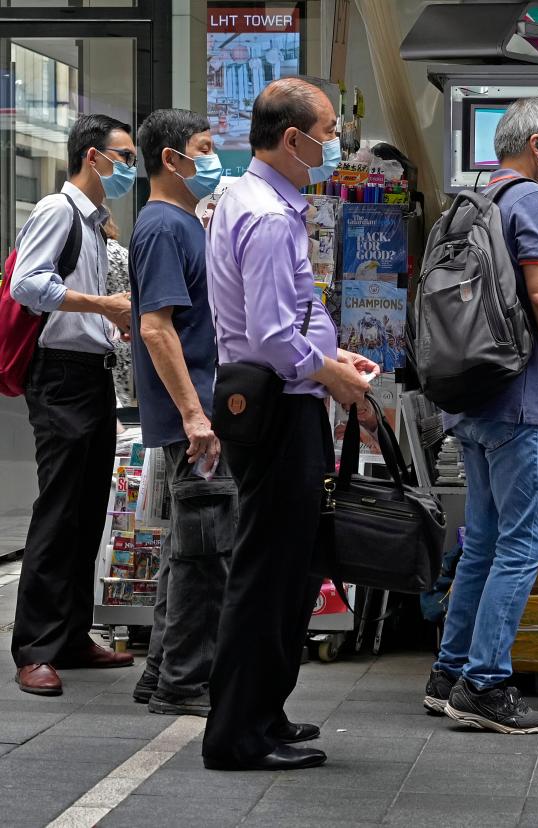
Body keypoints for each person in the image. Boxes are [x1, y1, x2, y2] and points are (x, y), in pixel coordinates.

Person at [203, 77, 374, 771]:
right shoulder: (270, 216)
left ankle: (264, 713)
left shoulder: (253, 200)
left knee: (291, 566)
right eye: (330, 133)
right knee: (269, 571)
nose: (336, 145)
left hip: (277, 395)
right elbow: (273, 336)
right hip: (277, 405)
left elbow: (278, 324)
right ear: (294, 138)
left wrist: (330, 357)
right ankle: (238, 735)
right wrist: (336, 377)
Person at [422, 97, 538, 734]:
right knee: (524, 543)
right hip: (519, 404)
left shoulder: (476, 201)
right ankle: (486, 684)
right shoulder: (533, 199)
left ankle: (449, 672)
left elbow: (515, 302)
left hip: (474, 397)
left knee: (483, 543)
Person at [9, 114, 137, 696]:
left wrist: (108, 320)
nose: (130, 168)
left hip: (90, 373)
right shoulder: (56, 211)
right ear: (93, 156)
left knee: (87, 508)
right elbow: (27, 285)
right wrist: (102, 306)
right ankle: (35, 646)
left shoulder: (92, 222)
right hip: (58, 376)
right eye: (124, 157)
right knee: (60, 508)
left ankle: (71, 635)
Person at [125, 109, 235, 718]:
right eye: (204, 147)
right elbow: (155, 328)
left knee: (187, 549)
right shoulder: (164, 227)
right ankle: (184, 685)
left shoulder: (183, 221)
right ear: (172, 159)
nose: (214, 158)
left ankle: (161, 674)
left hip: (200, 413)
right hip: (195, 422)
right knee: (203, 553)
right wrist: (196, 417)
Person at [101, 214, 134, 407]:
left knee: (106, 390)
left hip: (102, 327)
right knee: (121, 387)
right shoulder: (125, 253)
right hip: (124, 331)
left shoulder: (98, 252)